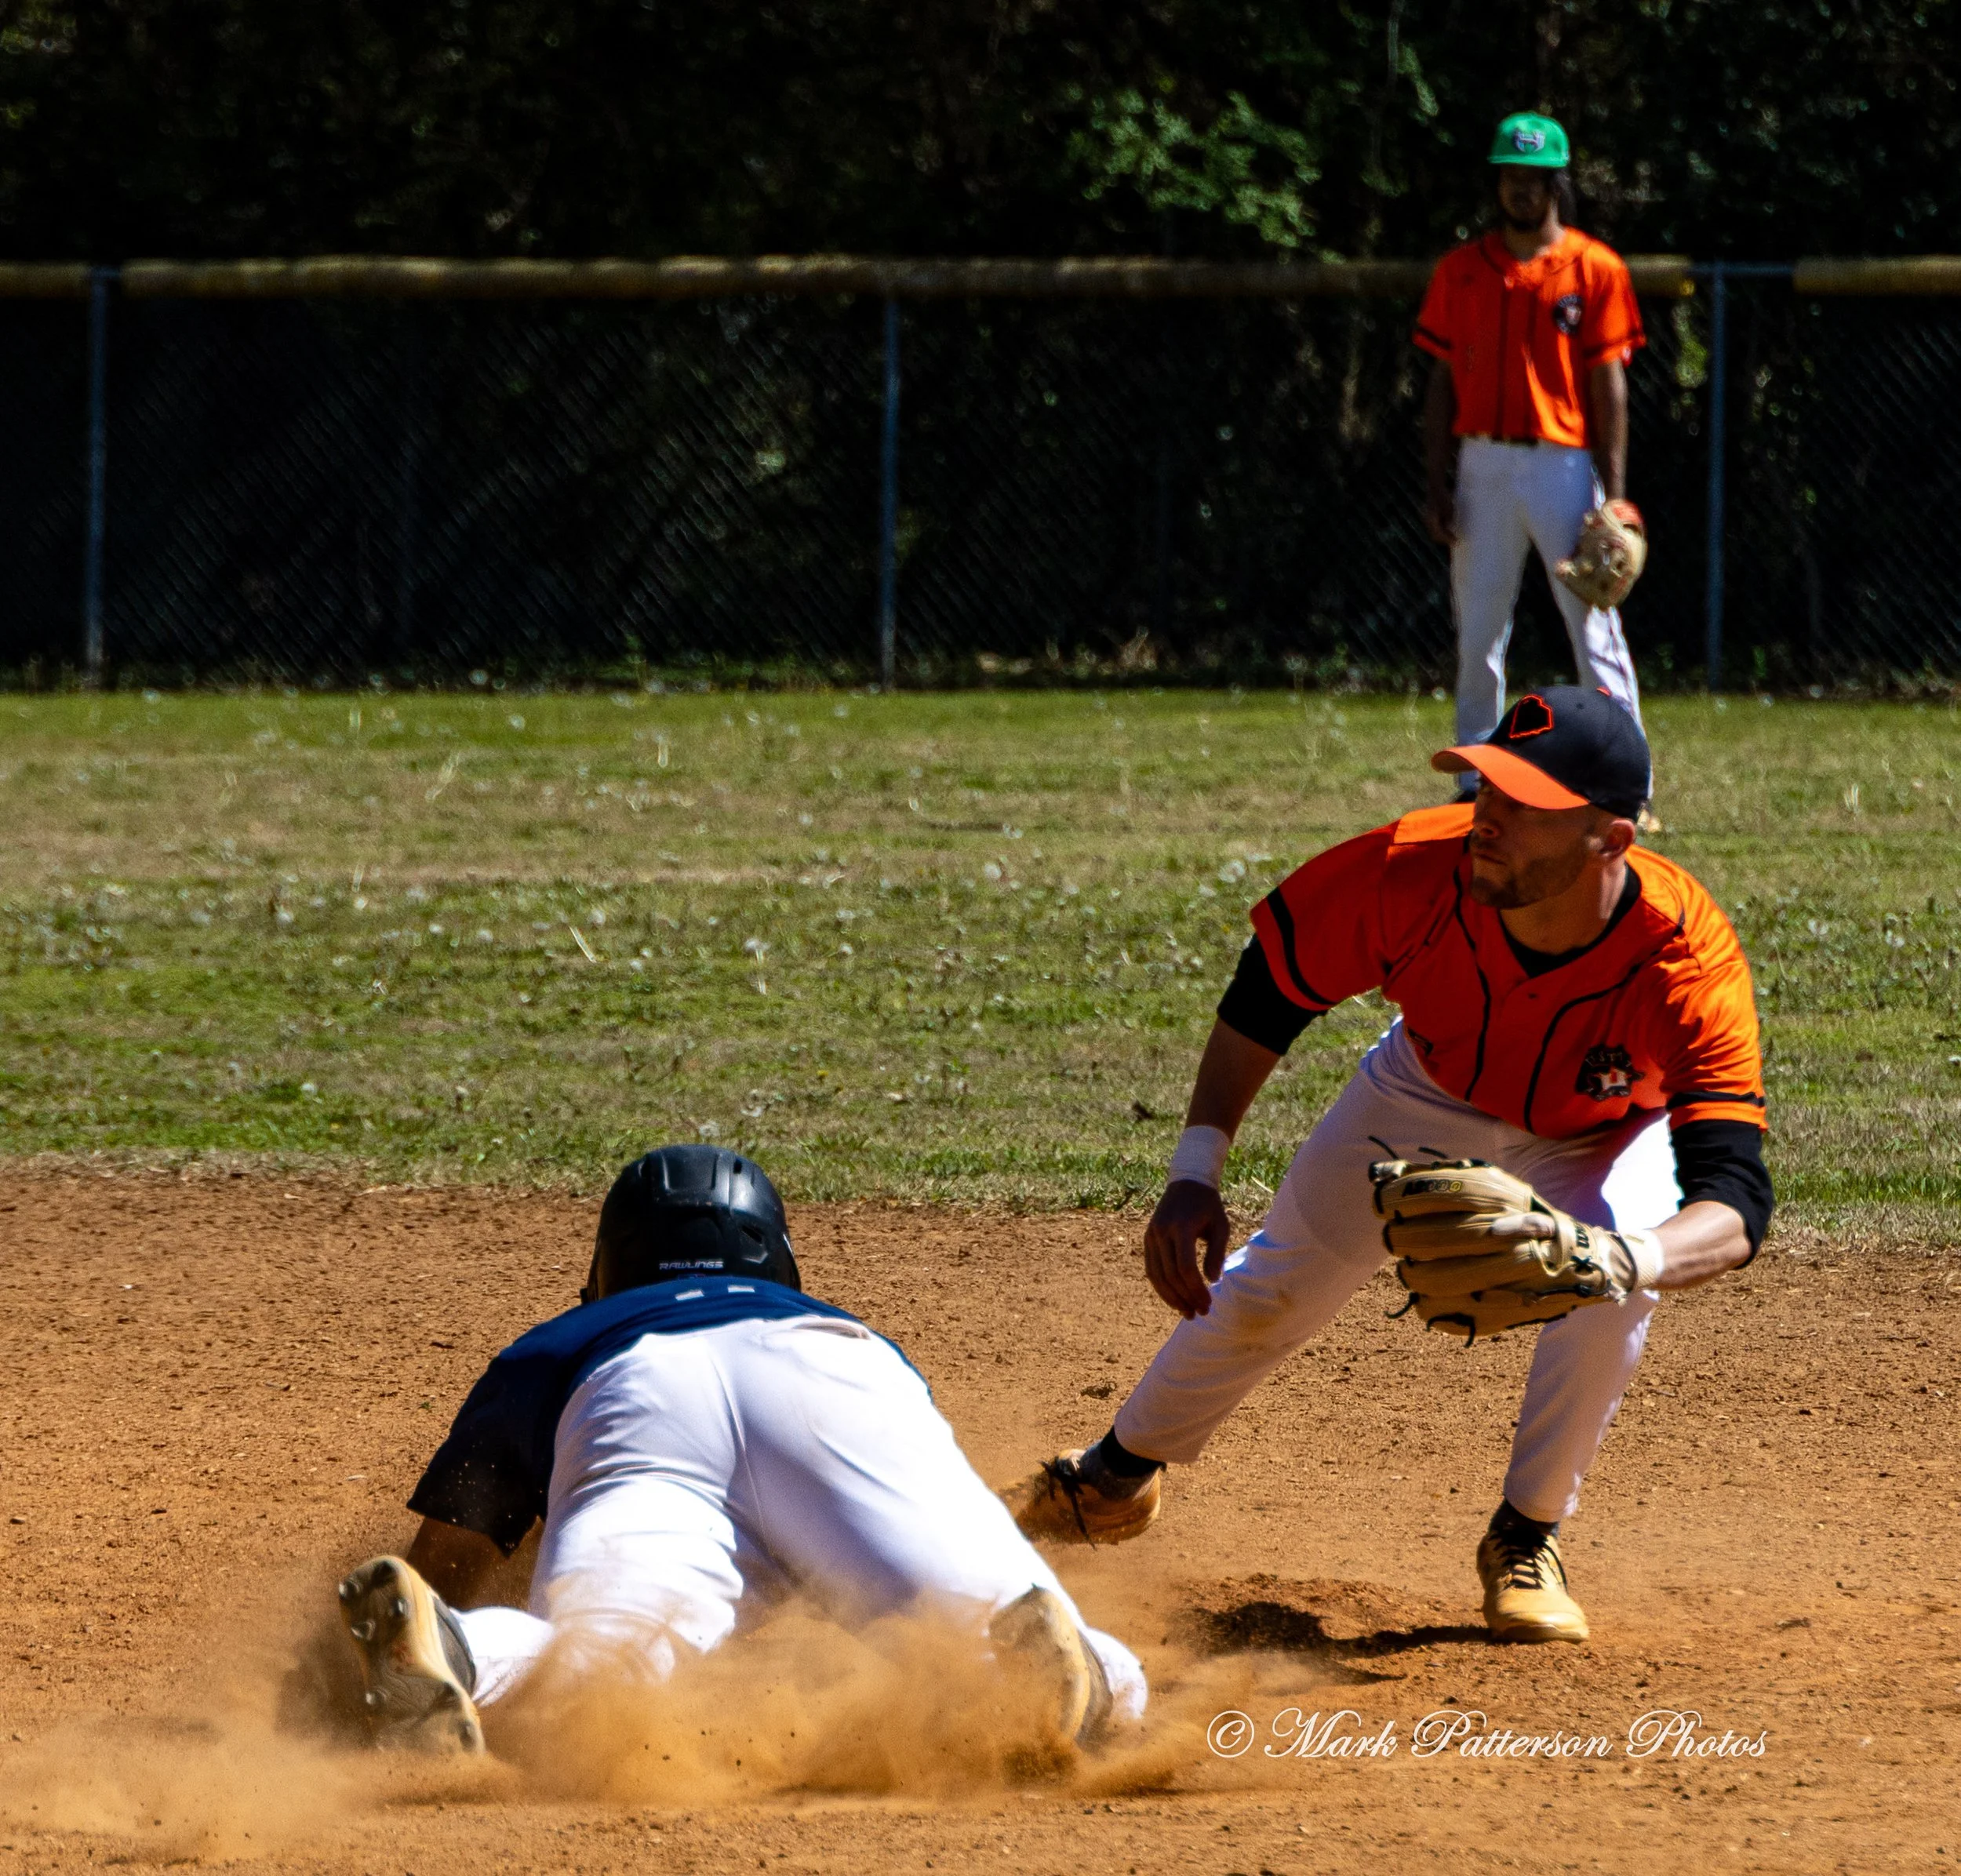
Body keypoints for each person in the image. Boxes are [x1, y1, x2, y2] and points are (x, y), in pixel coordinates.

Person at [1002, 688, 1773, 1644]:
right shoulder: (1412, 869)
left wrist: (1621, 1259)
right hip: (1425, 1086)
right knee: (1276, 1286)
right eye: (1484, 783)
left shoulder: (1684, 962)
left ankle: (1524, 1537)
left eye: (1523, 803)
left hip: (1599, 1132)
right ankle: (1111, 1481)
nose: (1486, 816)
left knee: (1612, 1274)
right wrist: (1196, 1167)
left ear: (1608, 839)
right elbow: (1268, 992)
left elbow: (1734, 1202)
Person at [336, 1144, 1144, 1753]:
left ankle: (465, 1654)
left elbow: (444, 1566)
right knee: (986, 1619)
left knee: (602, 1660)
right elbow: (869, 1526)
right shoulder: (852, 1335)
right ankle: (1077, 1675)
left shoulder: (558, 1343)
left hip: (630, 1391)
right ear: (773, 1258)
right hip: (830, 1378)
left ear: (607, 1268)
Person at [1417, 111, 1647, 770]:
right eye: (1511, 176)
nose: (1521, 190)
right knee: (1480, 631)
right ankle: (1474, 779)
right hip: (1482, 462)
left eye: (1535, 178)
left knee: (1594, 623)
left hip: (1562, 464)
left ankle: (1627, 777)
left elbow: (1610, 390)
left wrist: (1617, 499)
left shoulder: (1594, 268)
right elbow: (1438, 385)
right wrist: (1437, 482)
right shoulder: (1461, 271)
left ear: (1557, 183)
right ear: (1498, 183)